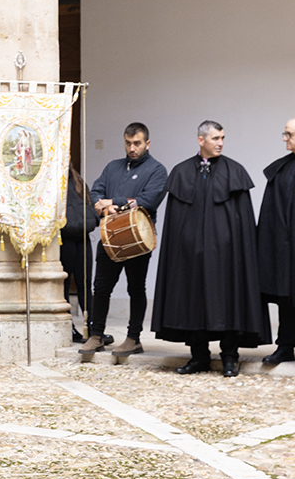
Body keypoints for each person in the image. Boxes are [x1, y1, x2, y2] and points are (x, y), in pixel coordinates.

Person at [151, 121, 269, 377]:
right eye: (215, 138)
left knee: (229, 301)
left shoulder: (234, 171)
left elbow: (243, 223)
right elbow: (175, 223)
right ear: (200, 140)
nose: (220, 143)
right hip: (190, 257)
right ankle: (199, 357)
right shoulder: (181, 173)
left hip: (228, 256)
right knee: (192, 302)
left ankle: (229, 357)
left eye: (223, 138)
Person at [79, 123, 167, 358]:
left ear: (147, 143)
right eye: (128, 143)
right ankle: (96, 336)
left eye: (137, 143)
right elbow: (95, 193)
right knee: (101, 287)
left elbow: (147, 200)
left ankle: (133, 338)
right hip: (109, 237)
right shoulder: (112, 167)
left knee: (136, 289)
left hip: (138, 239)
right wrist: (105, 206)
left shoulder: (157, 170)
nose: (132, 148)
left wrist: (112, 201)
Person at [257, 118, 295, 365]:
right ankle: (285, 346)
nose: (284, 138)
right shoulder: (281, 171)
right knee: (287, 295)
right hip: (286, 247)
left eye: (289, 134)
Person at [60, 168, 99, 343]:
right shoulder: (52, 181)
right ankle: (68, 328)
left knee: (85, 284)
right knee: (64, 283)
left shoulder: (78, 180)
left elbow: (88, 202)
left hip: (83, 237)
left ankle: (92, 327)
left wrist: (93, 220)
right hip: (66, 238)